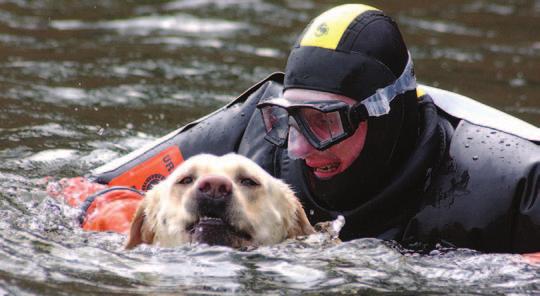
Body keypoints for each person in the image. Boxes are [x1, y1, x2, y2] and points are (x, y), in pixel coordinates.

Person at [51, 4, 540, 253]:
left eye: (326, 122)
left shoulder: (513, 178)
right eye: (291, 119)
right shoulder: (250, 130)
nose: (301, 147)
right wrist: (134, 228)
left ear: (385, 116)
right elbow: (74, 191)